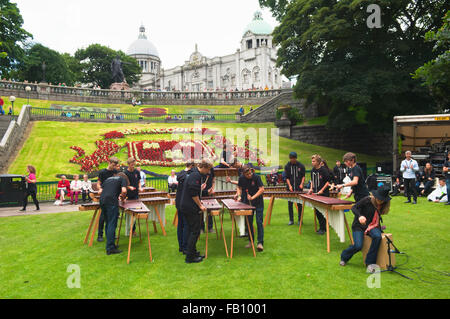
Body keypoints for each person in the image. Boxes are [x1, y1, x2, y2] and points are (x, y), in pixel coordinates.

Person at [339, 186, 391, 274]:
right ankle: (344, 257)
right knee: (358, 246)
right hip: (359, 226)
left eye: (382, 200)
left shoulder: (384, 204)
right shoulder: (367, 200)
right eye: (379, 199)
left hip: (373, 226)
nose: (380, 201)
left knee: (377, 237)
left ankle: (370, 263)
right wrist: (360, 216)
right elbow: (354, 207)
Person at [180, 160, 212, 263]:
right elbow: (193, 194)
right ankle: (189, 257)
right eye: (208, 170)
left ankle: (193, 252)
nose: (208, 172)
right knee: (195, 231)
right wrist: (200, 205)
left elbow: (194, 189)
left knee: (192, 230)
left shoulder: (194, 173)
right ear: (204, 167)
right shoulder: (196, 175)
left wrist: (200, 188)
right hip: (190, 207)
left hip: (186, 205)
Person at [234, 166, 265, 252]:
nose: (249, 175)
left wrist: (253, 197)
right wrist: (239, 195)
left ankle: (260, 243)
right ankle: (251, 242)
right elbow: (239, 187)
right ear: (243, 174)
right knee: (249, 223)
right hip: (246, 203)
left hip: (258, 202)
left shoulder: (256, 177)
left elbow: (261, 189)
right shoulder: (241, 178)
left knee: (259, 222)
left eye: (250, 173)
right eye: (247, 174)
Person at [100, 172, 129, 255]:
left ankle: (110, 244)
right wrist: (122, 198)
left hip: (102, 200)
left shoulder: (108, 179)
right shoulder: (122, 179)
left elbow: (100, 191)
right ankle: (110, 248)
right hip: (111, 201)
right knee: (112, 223)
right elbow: (124, 190)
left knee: (108, 223)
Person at [96, 157, 120, 242]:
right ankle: (100, 235)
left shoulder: (115, 172)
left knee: (114, 216)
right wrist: (100, 189)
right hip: (105, 197)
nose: (114, 167)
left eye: (115, 165)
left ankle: (111, 234)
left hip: (113, 197)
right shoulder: (102, 172)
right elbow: (98, 184)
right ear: (109, 162)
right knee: (103, 216)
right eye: (113, 165)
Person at [176, 161, 196, 254]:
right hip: (183, 203)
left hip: (179, 202)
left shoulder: (181, 173)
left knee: (181, 225)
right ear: (191, 166)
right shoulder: (186, 174)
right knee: (185, 225)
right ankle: (185, 246)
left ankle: (182, 246)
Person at [308, 154, 331, 235]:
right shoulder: (312, 170)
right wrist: (311, 188)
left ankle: (323, 228)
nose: (312, 162)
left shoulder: (324, 170)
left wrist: (322, 190)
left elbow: (328, 182)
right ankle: (322, 227)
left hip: (324, 194)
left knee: (323, 212)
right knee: (317, 211)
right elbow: (312, 181)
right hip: (316, 194)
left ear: (318, 162)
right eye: (312, 161)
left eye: (314, 161)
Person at [284, 152, 305, 225]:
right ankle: (291, 220)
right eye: (291, 158)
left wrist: (302, 184)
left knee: (300, 204)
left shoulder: (301, 165)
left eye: (293, 158)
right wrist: (289, 186)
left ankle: (300, 220)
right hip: (290, 188)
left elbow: (303, 176)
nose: (292, 160)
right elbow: (287, 177)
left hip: (299, 188)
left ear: (296, 158)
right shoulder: (287, 166)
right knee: (290, 204)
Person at [124, 157, 143, 237]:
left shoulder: (136, 172)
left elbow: (139, 181)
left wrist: (140, 187)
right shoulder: (125, 173)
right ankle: (128, 228)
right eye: (132, 165)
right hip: (128, 196)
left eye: (134, 165)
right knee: (128, 213)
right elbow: (124, 185)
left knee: (135, 212)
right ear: (128, 165)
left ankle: (133, 229)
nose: (133, 166)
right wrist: (129, 187)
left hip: (135, 195)